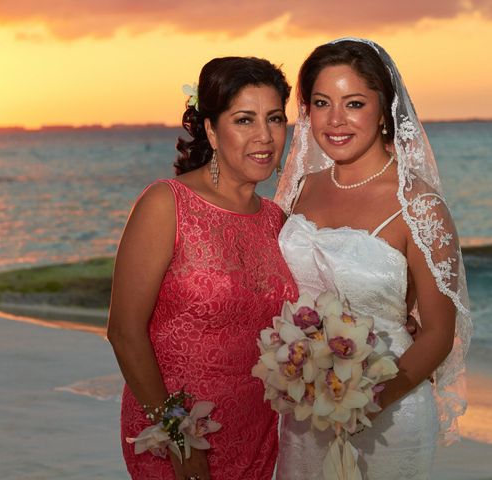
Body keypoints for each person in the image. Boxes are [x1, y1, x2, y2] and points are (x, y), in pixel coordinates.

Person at [274, 38, 472, 479]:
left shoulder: (419, 205)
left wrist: (363, 399)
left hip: (389, 414)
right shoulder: (300, 188)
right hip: (304, 412)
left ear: (384, 110)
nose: (335, 120)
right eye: (321, 103)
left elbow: (439, 334)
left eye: (354, 103)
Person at [107, 56, 298, 480]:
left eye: (275, 118)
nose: (265, 137)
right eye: (244, 120)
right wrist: (178, 435)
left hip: (260, 430)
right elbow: (123, 331)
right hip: (174, 434)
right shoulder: (166, 204)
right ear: (211, 129)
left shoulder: (277, 220)